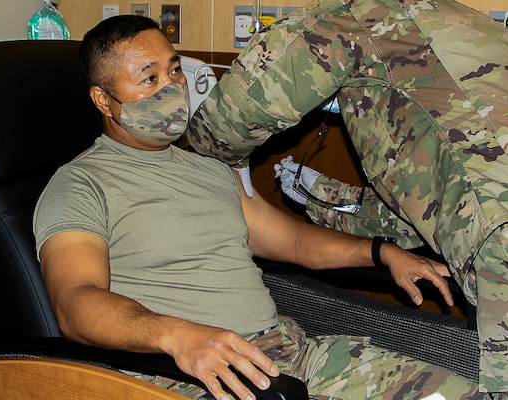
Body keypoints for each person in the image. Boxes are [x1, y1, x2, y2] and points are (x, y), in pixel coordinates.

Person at [32, 14, 482, 400]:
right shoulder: (80, 185)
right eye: (148, 78)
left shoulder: (209, 169)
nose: (171, 87)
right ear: (102, 100)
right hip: (187, 374)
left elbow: (296, 241)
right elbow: (76, 304)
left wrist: (381, 252)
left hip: (289, 354)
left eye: (173, 72)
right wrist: (178, 336)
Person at [184, 0, 508, 398]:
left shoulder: (351, 14)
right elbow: (427, 204)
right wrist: (319, 195)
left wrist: (190, 162)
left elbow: (236, 113)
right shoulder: (458, 20)